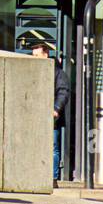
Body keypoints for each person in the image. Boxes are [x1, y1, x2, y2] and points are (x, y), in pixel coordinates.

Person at [27, 40, 69, 182]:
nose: (35, 59)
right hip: (35, 115)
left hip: (51, 116)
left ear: (46, 55)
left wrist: (56, 109)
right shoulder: (32, 72)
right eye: (33, 55)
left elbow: (63, 91)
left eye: (37, 55)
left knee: (52, 147)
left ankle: (52, 178)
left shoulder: (58, 73)